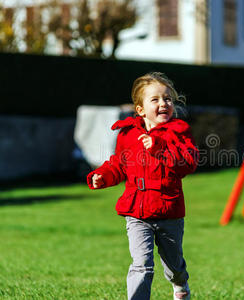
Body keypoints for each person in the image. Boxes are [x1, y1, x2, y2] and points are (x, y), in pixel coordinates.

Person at [87, 72, 198, 300]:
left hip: (169, 212)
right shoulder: (128, 134)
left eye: (167, 99)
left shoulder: (179, 131)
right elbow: (119, 164)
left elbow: (188, 163)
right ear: (140, 109)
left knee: (173, 264)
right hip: (137, 212)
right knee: (141, 265)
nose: (163, 103)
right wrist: (102, 176)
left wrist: (159, 148)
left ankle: (180, 284)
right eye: (155, 99)